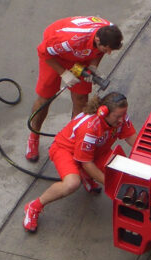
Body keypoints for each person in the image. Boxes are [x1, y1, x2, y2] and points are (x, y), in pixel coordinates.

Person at [22, 92, 137, 233]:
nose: (121, 120)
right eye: (118, 116)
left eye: (123, 114)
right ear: (104, 112)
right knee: (72, 183)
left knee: (122, 173)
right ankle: (34, 206)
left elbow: (133, 138)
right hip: (66, 151)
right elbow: (87, 163)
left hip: (96, 151)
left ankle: (86, 177)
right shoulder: (89, 127)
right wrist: (110, 184)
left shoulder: (120, 118)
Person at [25, 16, 123, 162]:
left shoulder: (109, 31)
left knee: (81, 99)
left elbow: (100, 51)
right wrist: (63, 73)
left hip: (79, 56)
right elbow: (43, 52)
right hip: (55, 55)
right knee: (46, 96)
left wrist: (93, 66)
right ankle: (34, 136)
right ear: (97, 40)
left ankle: (74, 139)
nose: (108, 53)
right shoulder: (70, 38)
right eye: (106, 49)